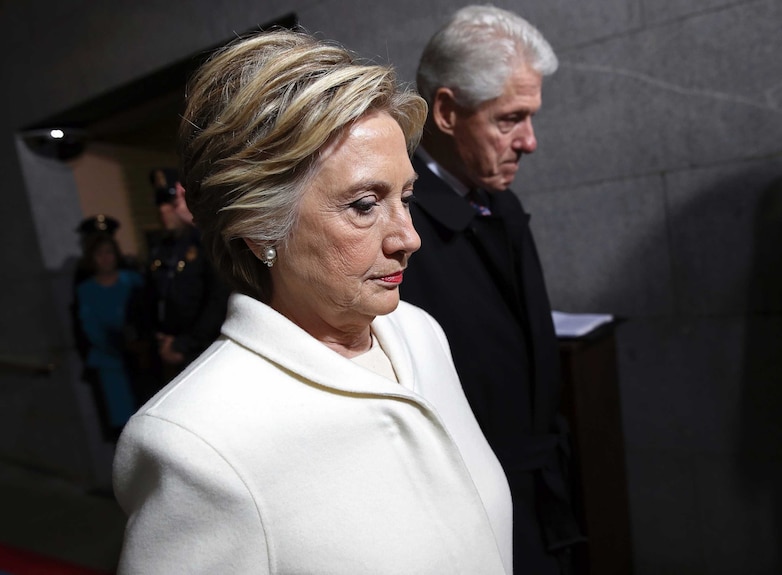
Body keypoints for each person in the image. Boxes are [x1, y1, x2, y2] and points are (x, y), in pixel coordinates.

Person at [113, 29, 513, 574]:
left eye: (406, 197)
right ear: (258, 227)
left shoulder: (419, 333)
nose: (409, 237)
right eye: (365, 204)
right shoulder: (196, 443)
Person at [400, 6, 584, 574]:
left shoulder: (498, 201)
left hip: (537, 489)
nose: (529, 141)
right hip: (466, 507)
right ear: (448, 111)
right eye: (510, 119)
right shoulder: (396, 221)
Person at [141, 167, 228, 392]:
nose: (163, 211)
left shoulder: (203, 241)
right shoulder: (163, 248)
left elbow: (218, 298)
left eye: (170, 203)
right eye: (160, 204)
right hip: (172, 348)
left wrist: (184, 344)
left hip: (205, 348)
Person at [75, 233, 142, 440]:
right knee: (122, 428)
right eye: (99, 254)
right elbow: (89, 326)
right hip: (109, 363)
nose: (105, 258)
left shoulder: (132, 280)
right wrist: (115, 344)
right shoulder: (86, 290)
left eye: (109, 253)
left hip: (139, 358)